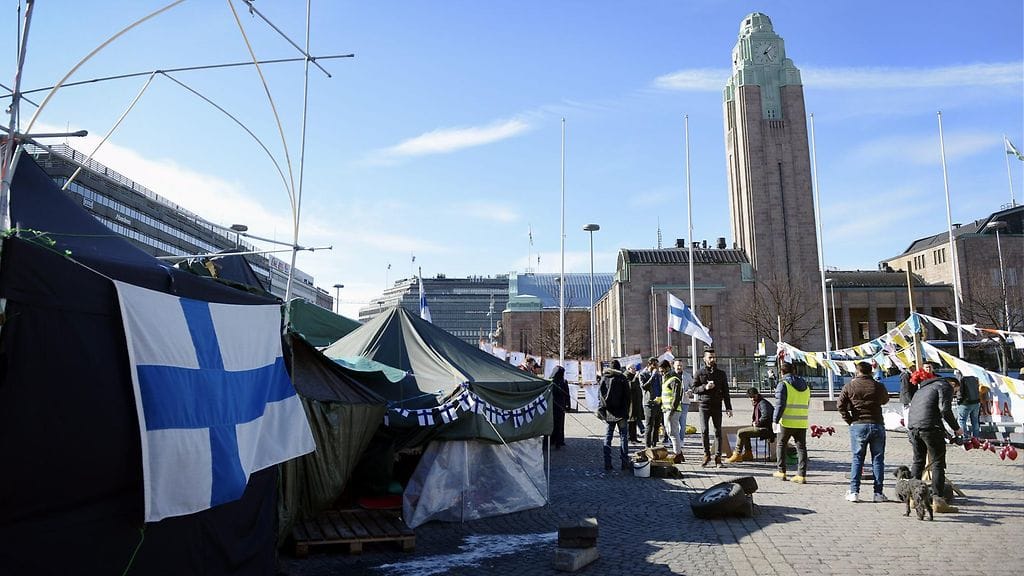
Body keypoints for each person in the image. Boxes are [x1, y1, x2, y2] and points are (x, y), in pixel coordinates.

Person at [907, 361, 961, 513]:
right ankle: (938, 501)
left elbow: (927, 412)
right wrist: (957, 429)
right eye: (956, 390)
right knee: (938, 463)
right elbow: (945, 410)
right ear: (953, 384)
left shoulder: (921, 389)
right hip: (930, 429)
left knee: (917, 461)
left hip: (913, 428)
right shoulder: (945, 386)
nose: (955, 393)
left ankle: (913, 499)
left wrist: (948, 433)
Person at [838, 361, 890, 502]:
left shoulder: (849, 386)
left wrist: (849, 420)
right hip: (877, 423)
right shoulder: (878, 386)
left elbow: (840, 405)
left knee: (857, 459)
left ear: (857, 371)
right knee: (878, 459)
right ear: (871, 371)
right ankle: (878, 493)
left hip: (858, 424)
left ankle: (854, 492)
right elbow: (885, 400)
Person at [693, 348, 733, 467]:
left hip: (717, 405)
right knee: (704, 430)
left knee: (718, 431)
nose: (712, 359)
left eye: (714, 357)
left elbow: (726, 391)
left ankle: (718, 457)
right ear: (704, 359)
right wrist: (705, 387)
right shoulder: (699, 373)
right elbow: (694, 388)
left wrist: (728, 407)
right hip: (704, 405)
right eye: (710, 357)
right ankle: (706, 455)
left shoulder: (721, 373)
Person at [773, 362, 809, 483]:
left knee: (781, 445)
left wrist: (775, 420)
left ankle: (781, 471)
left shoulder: (783, 384)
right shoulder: (805, 384)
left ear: (781, 372)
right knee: (801, 448)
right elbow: (807, 402)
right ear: (794, 370)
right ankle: (801, 475)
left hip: (786, 422)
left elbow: (780, 405)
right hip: (802, 421)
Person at [597, 359, 631, 471]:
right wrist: (626, 410)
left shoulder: (604, 378)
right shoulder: (622, 378)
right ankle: (624, 463)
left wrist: (602, 410)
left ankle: (607, 463)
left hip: (609, 413)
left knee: (608, 437)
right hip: (621, 413)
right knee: (623, 438)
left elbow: (600, 396)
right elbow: (628, 396)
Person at [726, 387, 774, 463]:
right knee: (745, 433)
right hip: (764, 427)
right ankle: (748, 454)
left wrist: (757, 423)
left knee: (741, 432)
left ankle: (737, 454)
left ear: (757, 394)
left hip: (764, 429)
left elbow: (766, 416)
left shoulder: (762, 403)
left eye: (753, 397)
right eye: (750, 397)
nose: (752, 399)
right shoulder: (760, 402)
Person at [660, 360, 685, 462]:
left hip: (672, 410)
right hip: (668, 409)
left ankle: (677, 454)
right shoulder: (668, 379)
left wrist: (672, 410)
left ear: (667, 368)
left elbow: (676, 396)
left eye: (662, 371)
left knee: (672, 432)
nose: (661, 373)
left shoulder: (673, 379)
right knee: (672, 432)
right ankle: (679, 452)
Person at [638, 357, 663, 448]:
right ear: (649, 364)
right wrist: (652, 376)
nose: (656, 367)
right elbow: (644, 387)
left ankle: (654, 444)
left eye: (657, 365)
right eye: (654, 365)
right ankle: (647, 446)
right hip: (648, 403)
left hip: (658, 402)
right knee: (649, 425)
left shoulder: (659, 374)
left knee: (657, 425)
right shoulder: (643, 374)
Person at [672, 358, 694, 452]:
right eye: (677, 365)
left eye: (681, 365)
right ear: (674, 366)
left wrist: (689, 392)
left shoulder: (687, 375)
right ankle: (673, 440)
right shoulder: (670, 376)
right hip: (672, 403)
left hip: (684, 402)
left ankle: (681, 439)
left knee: (683, 423)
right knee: (673, 422)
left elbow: (692, 386)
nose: (679, 367)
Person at [954, 374, 981, 442]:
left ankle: (964, 438)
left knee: (962, 420)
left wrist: (959, 400)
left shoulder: (960, 375)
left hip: (965, 402)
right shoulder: (974, 375)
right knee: (975, 421)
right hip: (976, 401)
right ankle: (976, 438)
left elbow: (959, 389)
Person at [550, 365, 570, 449]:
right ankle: (558, 441)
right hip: (560, 405)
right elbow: (567, 395)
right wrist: (568, 405)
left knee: (552, 424)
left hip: (552, 405)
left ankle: (552, 441)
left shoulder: (550, 381)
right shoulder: (563, 382)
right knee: (559, 424)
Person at [626, 364, 646, 443]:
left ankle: (634, 437)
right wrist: (635, 378)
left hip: (636, 401)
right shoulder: (626, 376)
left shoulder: (634, 376)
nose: (634, 370)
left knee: (635, 420)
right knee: (630, 421)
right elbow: (630, 386)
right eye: (633, 369)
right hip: (630, 402)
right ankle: (629, 437)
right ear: (629, 369)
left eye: (635, 368)